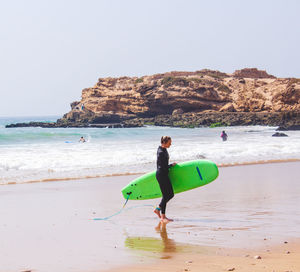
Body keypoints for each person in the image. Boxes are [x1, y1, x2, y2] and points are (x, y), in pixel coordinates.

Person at [154, 136, 177, 223]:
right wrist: (170, 166)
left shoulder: (163, 149)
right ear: (164, 142)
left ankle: (158, 209)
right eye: (169, 143)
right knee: (166, 195)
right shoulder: (161, 152)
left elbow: (164, 165)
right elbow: (162, 167)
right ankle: (163, 217)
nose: (170, 144)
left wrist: (170, 165)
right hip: (161, 175)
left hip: (164, 174)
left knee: (170, 194)